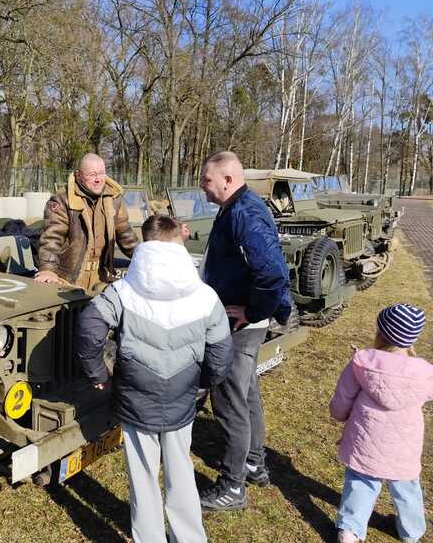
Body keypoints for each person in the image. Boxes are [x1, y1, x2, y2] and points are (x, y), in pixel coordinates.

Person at [75, 214, 233, 543]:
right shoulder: (205, 295)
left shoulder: (123, 290)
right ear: (178, 240)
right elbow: (220, 352)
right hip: (182, 393)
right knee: (181, 469)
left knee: (142, 474)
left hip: (136, 395)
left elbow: (89, 327)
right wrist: (202, 381)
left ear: (145, 241)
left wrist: (98, 373)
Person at [198, 150, 293, 511]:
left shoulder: (245, 213)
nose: (202, 188)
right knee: (246, 390)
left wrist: (252, 310)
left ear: (227, 179)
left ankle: (232, 486)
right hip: (242, 320)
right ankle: (253, 462)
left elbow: (272, 273)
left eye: (207, 181)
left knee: (229, 400)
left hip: (239, 325)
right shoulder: (236, 208)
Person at [330, 304, 433, 543]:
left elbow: (342, 399)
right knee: (407, 488)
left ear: (380, 333)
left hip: (365, 438)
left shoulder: (361, 363)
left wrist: (339, 416)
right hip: (405, 445)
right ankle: (411, 532)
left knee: (360, 482)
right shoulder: (425, 374)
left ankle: (349, 532)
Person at [35, 153, 138, 290]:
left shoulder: (113, 199)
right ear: (78, 176)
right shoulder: (62, 201)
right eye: (92, 175)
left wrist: (149, 257)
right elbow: (52, 238)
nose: (98, 179)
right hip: (69, 279)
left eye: (101, 174)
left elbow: (126, 235)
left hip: (101, 276)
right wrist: (47, 270)